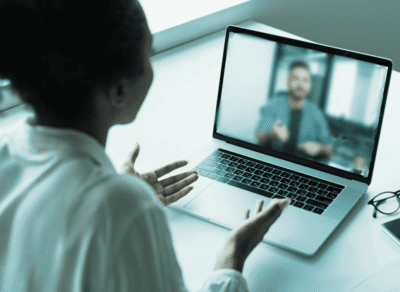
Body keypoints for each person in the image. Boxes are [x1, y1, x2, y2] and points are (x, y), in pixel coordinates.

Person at [0, 0, 291, 291]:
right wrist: (232, 256)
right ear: (119, 90)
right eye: (149, 54)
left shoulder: (5, 152)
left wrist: (120, 192)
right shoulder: (123, 208)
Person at [256, 60, 333, 159]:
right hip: (272, 160)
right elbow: (259, 137)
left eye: (305, 80)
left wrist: (319, 148)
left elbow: (329, 149)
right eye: (296, 79)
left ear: (310, 85)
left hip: (303, 166)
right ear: (288, 81)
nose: (300, 85)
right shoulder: (274, 104)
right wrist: (272, 134)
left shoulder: (317, 114)